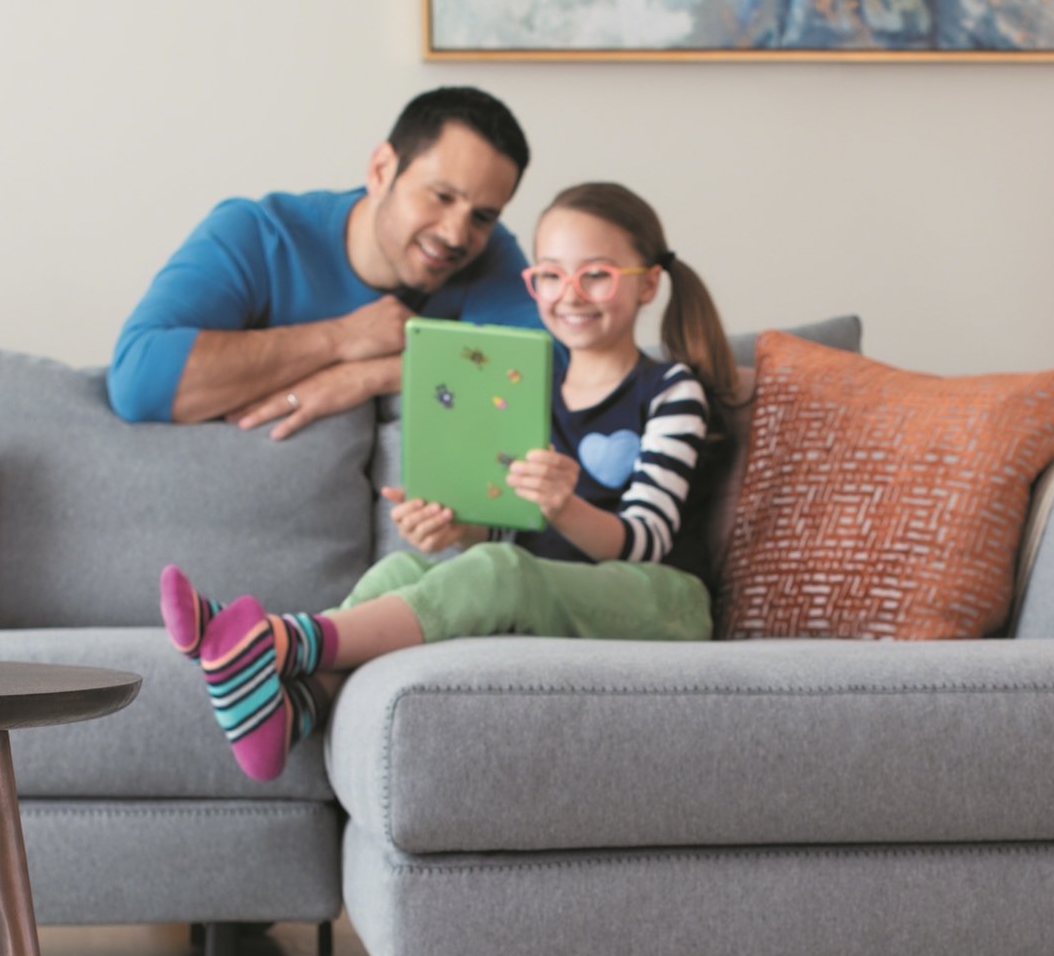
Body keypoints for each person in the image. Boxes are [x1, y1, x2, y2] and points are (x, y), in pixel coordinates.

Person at [158, 181, 738, 780]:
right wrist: (461, 528)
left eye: (597, 275)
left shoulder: (671, 389)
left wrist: (561, 508)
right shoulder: (526, 389)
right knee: (399, 571)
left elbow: (646, 539)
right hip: (558, 596)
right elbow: (511, 540)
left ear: (647, 283)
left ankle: (277, 642)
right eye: (550, 276)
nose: (571, 295)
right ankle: (297, 707)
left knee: (504, 575)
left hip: (661, 602)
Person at [106, 87, 543, 438]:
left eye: (483, 216)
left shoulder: (488, 253)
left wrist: (371, 376)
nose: (455, 234)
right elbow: (138, 381)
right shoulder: (255, 234)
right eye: (441, 197)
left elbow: (550, 374)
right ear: (381, 170)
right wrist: (342, 338)